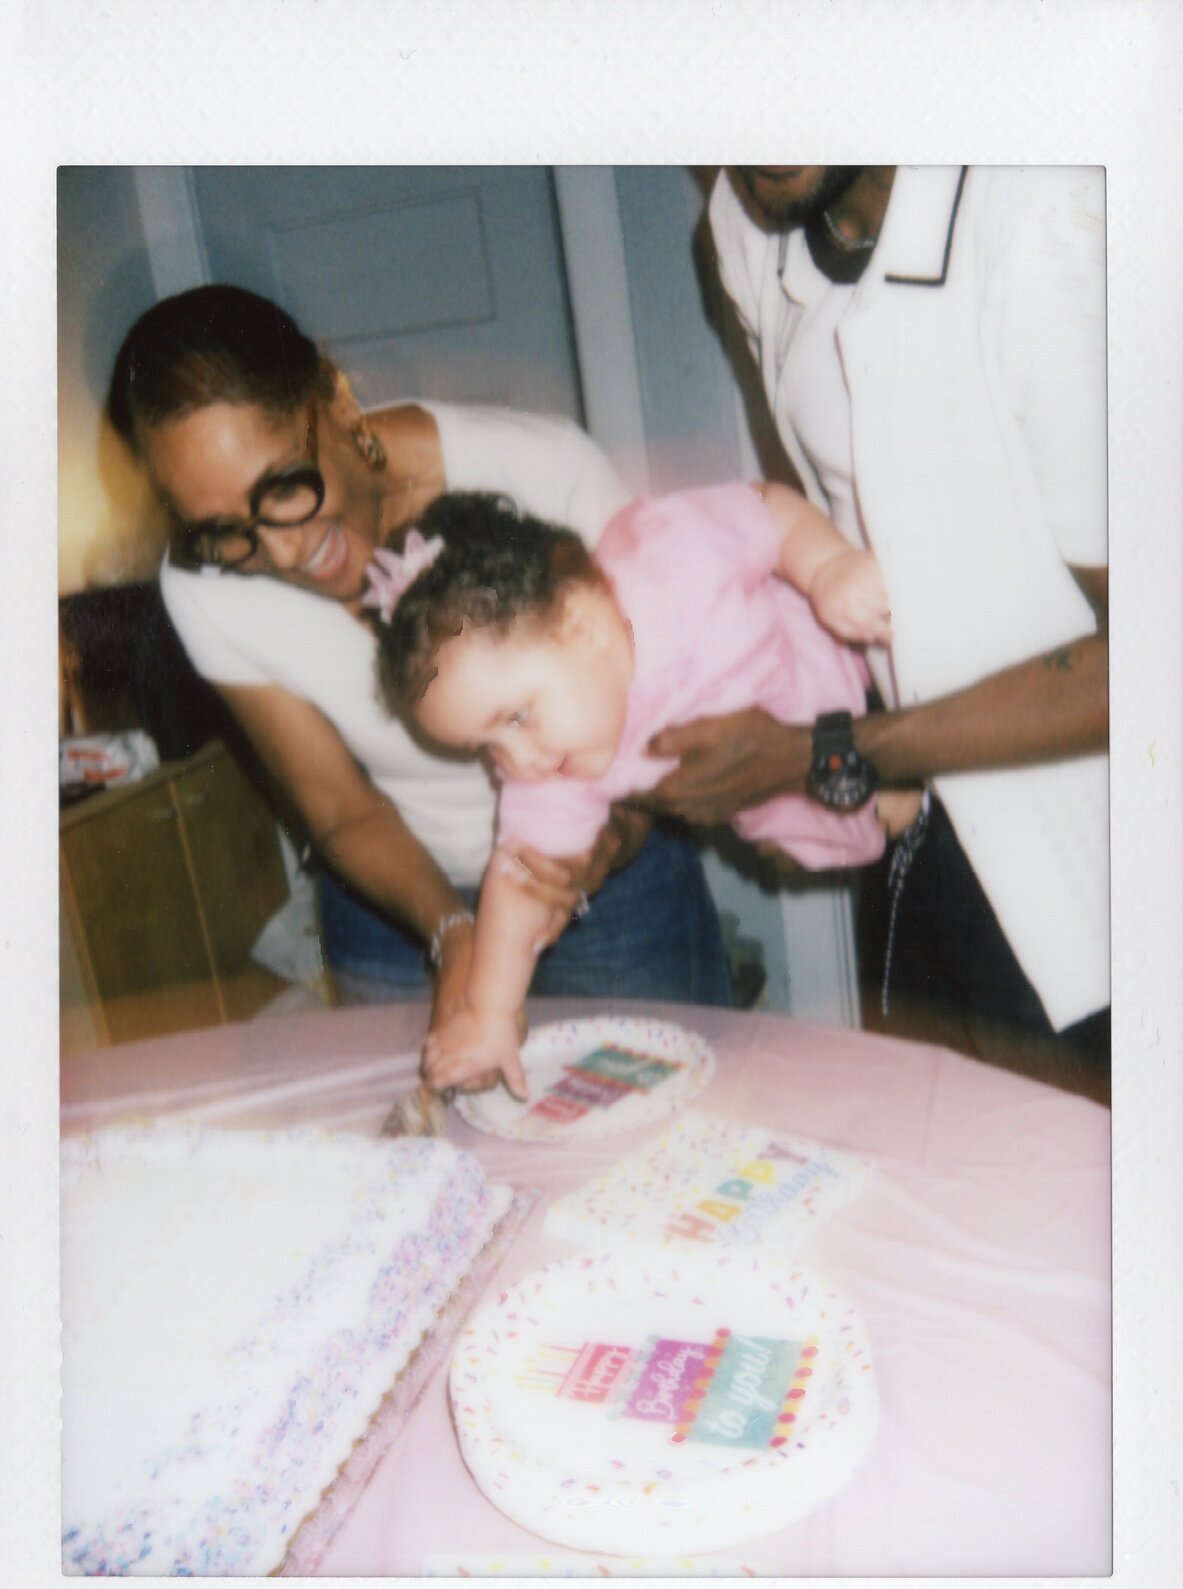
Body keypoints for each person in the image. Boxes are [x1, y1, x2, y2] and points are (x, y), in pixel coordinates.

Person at [105, 284, 732, 1064]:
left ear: (334, 398)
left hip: (608, 879)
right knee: (425, 1166)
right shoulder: (204, 585)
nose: (285, 554)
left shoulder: (538, 468)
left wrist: (604, 843)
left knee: (661, 1135)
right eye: (224, 530)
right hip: (395, 908)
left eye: (284, 486)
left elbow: (664, 702)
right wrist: (451, 930)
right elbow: (338, 809)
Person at [639, 167, 1110, 1091]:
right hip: (917, 819)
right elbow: (826, 531)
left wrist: (824, 752)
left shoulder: (1042, 221)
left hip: (1091, 852)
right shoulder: (745, 220)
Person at [368, 482, 896, 1095]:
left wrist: (828, 566)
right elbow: (518, 882)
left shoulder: (669, 569)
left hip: (853, 660)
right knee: (867, 846)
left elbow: (768, 511)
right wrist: (488, 1015)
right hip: (805, 793)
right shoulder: (553, 758)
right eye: (486, 747)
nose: (517, 761)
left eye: (515, 717)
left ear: (585, 626)